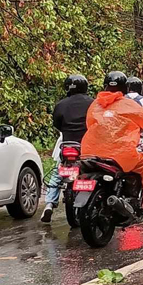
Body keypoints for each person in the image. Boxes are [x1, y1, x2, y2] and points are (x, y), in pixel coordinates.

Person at [82, 72, 143, 211]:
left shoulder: (94, 105)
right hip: (121, 154)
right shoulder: (130, 105)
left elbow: (89, 124)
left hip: (91, 152)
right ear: (125, 88)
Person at [41, 74, 93, 223]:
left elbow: (57, 124)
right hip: (87, 146)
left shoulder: (60, 105)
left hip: (67, 145)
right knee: (94, 171)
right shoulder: (93, 103)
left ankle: (50, 203)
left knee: (59, 170)